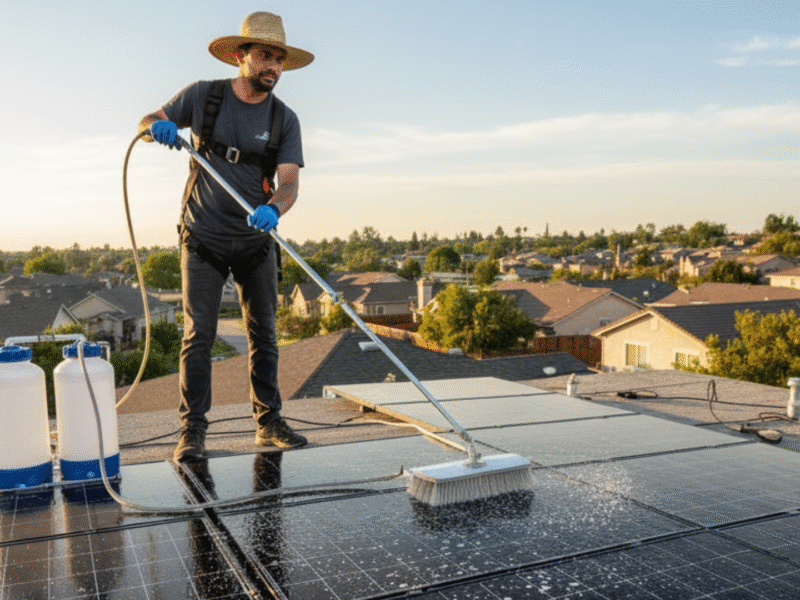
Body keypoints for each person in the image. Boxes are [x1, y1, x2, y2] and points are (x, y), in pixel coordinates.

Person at [137, 12, 314, 461]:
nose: (272, 66)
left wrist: (275, 208)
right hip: (204, 237)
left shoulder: (284, 119)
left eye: (279, 59)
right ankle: (192, 431)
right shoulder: (204, 96)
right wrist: (155, 128)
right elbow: (146, 119)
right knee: (199, 336)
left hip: (255, 241)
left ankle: (269, 422)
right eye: (264, 56)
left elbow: (289, 182)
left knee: (265, 335)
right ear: (241, 55)